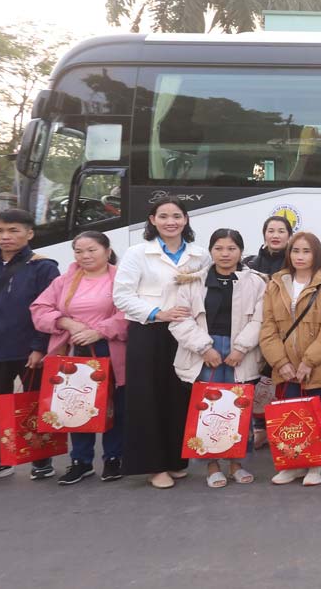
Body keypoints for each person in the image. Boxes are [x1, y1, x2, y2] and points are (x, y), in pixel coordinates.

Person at [113, 198, 209, 489]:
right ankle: (154, 467)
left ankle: (175, 460)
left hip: (186, 333)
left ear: (186, 219)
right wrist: (158, 313)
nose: (171, 221)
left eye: (177, 216)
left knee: (180, 395)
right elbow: (122, 296)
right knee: (147, 399)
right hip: (149, 332)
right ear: (152, 220)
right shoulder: (138, 253)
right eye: (164, 216)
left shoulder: (199, 255)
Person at [0, 209, 60, 485]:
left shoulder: (44, 267)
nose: (5, 236)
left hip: (31, 351)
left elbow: (50, 310)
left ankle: (42, 459)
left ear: (29, 233)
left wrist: (39, 347)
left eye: (13, 230)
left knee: (35, 405)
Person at [169, 228, 265, 488]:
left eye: (231, 248)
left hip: (238, 353)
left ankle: (237, 464)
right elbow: (180, 320)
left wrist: (241, 348)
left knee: (238, 409)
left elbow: (260, 319)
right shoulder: (192, 282)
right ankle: (212, 466)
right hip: (204, 353)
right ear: (210, 251)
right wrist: (204, 348)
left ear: (241, 252)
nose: (225, 254)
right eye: (219, 248)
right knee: (208, 410)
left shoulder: (256, 282)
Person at [30, 232, 127, 486]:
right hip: (74, 351)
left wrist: (99, 331)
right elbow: (39, 309)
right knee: (75, 403)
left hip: (108, 348)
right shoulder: (64, 281)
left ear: (107, 251)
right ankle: (80, 461)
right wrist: (67, 323)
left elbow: (129, 313)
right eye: (79, 251)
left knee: (114, 406)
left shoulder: (121, 278)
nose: (85, 256)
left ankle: (114, 457)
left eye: (91, 250)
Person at [259, 231, 321, 487]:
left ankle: (317, 465)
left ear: (316, 255)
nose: (300, 256)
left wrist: (308, 361)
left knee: (318, 415)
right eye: (295, 251)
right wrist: (281, 362)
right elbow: (268, 328)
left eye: (306, 251)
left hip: (319, 367)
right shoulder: (276, 284)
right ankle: (291, 464)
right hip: (286, 368)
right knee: (289, 417)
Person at [243, 215, 292, 448]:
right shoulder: (249, 264)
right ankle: (258, 428)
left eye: (281, 231)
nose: (275, 235)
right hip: (254, 331)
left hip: (283, 333)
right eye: (271, 230)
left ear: (289, 236)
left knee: (280, 379)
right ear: (264, 234)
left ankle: (281, 426)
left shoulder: (295, 263)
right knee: (255, 380)